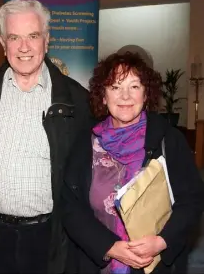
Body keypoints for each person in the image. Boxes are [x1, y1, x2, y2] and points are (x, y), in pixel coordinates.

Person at [0, 0, 92, 273]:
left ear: (47, 40)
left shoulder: (78, 101)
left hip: (49, 238)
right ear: (2, 42)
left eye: (32, 36)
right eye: (14, 37)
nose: (23, 47)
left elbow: (84, 179)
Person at [61, 51, 204, 274]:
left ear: (146, 94)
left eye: (134, 87)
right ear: (103, 96)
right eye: (115, 87)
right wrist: (109, 246)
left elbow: (192, 201)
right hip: (97, 263)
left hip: (155, 265)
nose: (125, 96)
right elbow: (70, 207)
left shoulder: (168, 139)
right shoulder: (85, 143)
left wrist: (162, 241)